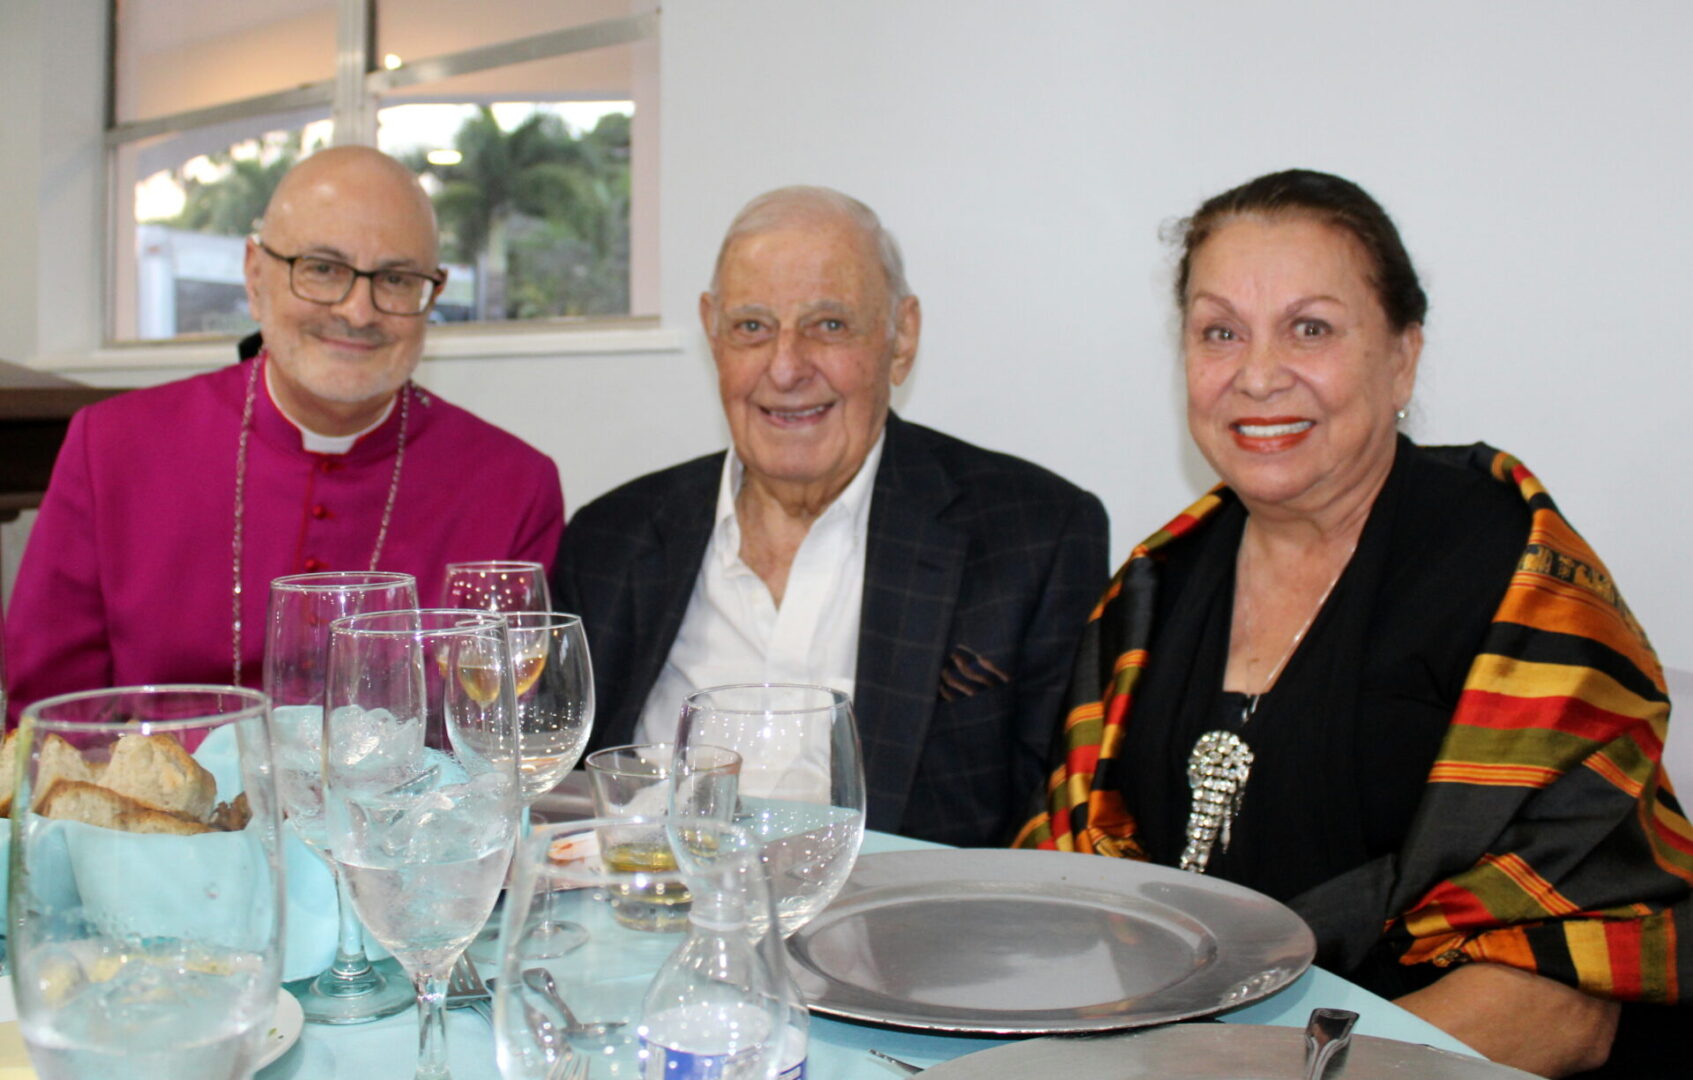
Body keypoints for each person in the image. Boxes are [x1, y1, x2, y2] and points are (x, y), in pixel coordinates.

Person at [1018, 169, 1690, 1079]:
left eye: (1310, 328)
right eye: (1220, 332)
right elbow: (1072, 897)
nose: (1257, 374)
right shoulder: (1152, 590)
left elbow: (1567, 1004)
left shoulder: (1516, 578)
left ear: (1402, 356)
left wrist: (1264, 1075)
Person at [554, 186, 1107, 848]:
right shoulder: (610, 539)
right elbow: (560, 797)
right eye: (752, 327)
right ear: (712, 332)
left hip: (900, 910)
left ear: (901, 338)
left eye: (829, 325)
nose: (786, 368)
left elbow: (1052, 831)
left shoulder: (1032, 536)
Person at [5, 146, 563, 717]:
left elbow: (501, 731)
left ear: (432, 296)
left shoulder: (513, 485)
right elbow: (50, 720)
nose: (358, 311)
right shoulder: (113, 447)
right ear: (255, 275)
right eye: (322, 269)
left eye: (396, 279)